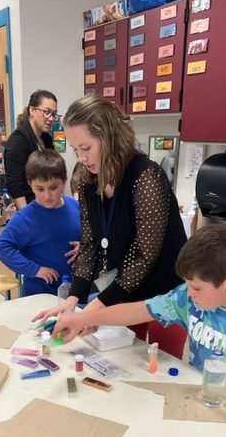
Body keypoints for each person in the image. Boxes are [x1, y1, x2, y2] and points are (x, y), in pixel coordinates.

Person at [53, 224, 226, 400]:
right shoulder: (188, 298)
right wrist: (83, 317)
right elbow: (138, 310)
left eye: (196, 287)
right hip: (199, 400)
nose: (188, 293)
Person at [33, 94, 187, 326]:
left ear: (110, 138)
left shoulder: (145, 176)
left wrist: (98, 306)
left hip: (162, 296)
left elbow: (145, 257)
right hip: (123, 291)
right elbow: (89, 244)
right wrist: (73, 298)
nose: (82, 158)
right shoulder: (88, 182)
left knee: (155, 360)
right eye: (75, 150)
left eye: (86, 147)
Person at [0, 150, 81, 297]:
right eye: (40, 189)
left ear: (64, 182)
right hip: (40, 294)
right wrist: (34, 269)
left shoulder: (76, 206)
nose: (47, 195)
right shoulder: (24, 218)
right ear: (30, 185)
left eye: (53, 188)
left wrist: (84, 247)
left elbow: (92, 236)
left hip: (77, 291)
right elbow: (1, 247)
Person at [4, 89, 59, 210]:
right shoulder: (18, 141)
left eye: (54, 114)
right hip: (29, 207)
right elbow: (15, 185)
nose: (51, 119)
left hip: (45, 204)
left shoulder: (47, 139)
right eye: (46, 112)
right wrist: (26, 217)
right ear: (32, 110)